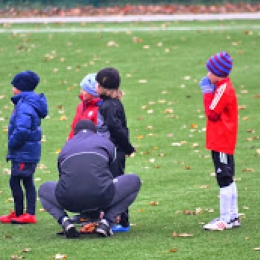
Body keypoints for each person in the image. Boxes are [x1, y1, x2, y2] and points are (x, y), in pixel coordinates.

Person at [38, 120, 141, 239]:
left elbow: (63, 178)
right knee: (134, 180)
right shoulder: (106, 143)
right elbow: (113, 174)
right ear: (95, 132)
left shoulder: (66, 148)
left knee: (43, 189)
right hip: (102, 197)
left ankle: (65, 221)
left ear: (75, 133)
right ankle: (106, 222)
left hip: (70, 200)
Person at [0, 70, 48, 224]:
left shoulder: (24, 106)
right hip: (26, 151)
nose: (13, 88)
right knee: (25, 180)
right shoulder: (26, 103)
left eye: (14, 85)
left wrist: (12, 144)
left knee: (17, 181)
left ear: (21, 87)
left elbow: (22, 129)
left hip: (24, 151)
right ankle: (21, 212)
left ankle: (28, 213)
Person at [199, 51, 240, 231]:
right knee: (228, 176)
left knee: (223, 176)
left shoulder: (223, 88)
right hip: (224, 139)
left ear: (217, 73)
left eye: (210, 71)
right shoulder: (223, 86)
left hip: (221, 139)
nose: (207, 75)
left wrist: (207, 93)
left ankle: (225, 219)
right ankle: (233, 216)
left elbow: (212, 113)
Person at [95, 67, 136, 232]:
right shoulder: (111, 104)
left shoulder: (109, 106)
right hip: (111, 150)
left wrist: (127, 147)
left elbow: (116, 128)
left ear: (103, 88)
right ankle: (114, 217)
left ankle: (122, 221)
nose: (95, 87)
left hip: (112, 151)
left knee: (117, 184)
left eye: (98, 84)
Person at [67, 73, 102, 140]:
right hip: (76, 142)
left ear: (92, 92)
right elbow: (74, 127)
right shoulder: (81, 106)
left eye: (84, 90)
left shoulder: (99, 109)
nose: (81, 91)